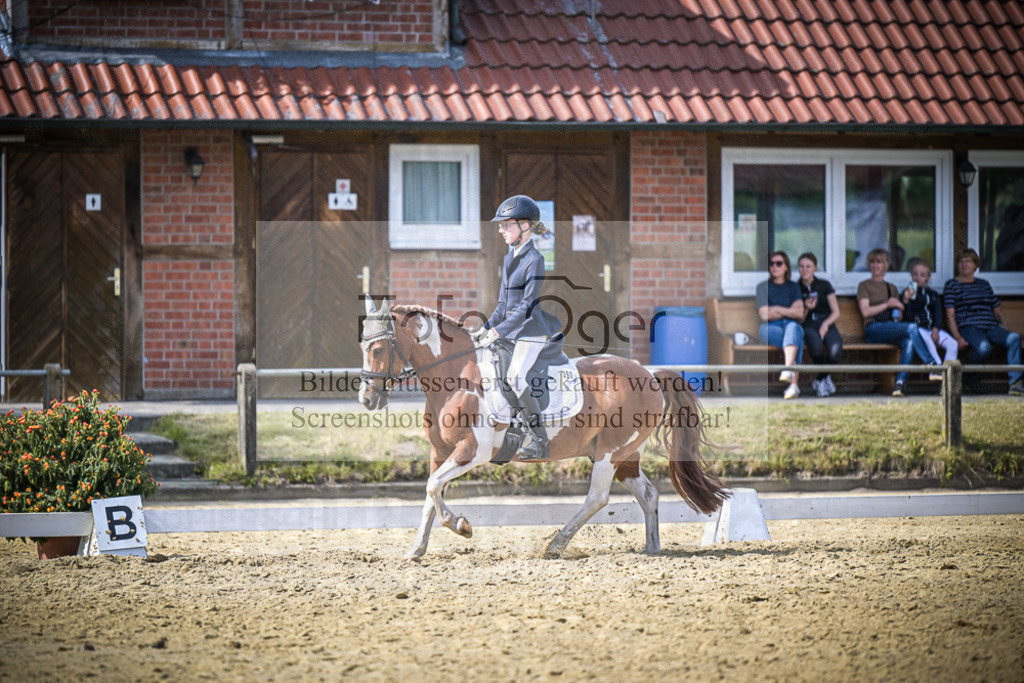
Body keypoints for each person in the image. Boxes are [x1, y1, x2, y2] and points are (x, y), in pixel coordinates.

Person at [472, 194, 565, 459]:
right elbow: (503, 303)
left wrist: (497, 332)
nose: (501, 230)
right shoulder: (509, 257)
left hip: (532, 329)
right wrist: (486, 328)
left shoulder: (534, 259)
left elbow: (526, 305)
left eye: (507, 225)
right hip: (512, 329)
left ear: (525, 226)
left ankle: (539, 440)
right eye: (501, 225)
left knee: (514, 377)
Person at [942, 248, 1023, 395]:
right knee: (984, 348)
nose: (964, 264)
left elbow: (997, 311)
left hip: (990, 327)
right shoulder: (952, 285)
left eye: (968, 261)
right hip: (968, 327)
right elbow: (950, 315)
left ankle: (1016, 383)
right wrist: (958, 337)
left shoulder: (984, 284)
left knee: (1014, 338)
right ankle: (968, 378)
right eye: (960, 262)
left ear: (975, 265)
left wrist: (1005, 329)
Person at [856, 248, 931, 397]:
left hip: (891, 327)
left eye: (879, 262)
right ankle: (930, 363)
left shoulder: (892, 288)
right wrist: (887, 304)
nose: (875, 265)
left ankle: (900, 384)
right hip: (873, 329)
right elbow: (865, 312)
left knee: (908, 341)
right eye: (872, 262)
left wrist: (900, 307)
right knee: (911, 327)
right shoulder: (864, 285)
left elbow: (898, 317)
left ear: (886, 266)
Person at [756, 251, 804, 399]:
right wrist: (788, 311)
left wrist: (775, 309)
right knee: (795, 337)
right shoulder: (763, 287)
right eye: (772, 264)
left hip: (790, 325)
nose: (774, 266)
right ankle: (793, 383)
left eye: (779, 263)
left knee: (794, 329)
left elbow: (800, 314)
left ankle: (789, 372)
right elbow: (764, 315)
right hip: (769, 328)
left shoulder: (793, 287)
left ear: (786, 267)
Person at [900, 258, 957, 382]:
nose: (918, 277)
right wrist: (906, 300)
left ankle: (949, 379)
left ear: (928, 277)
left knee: (953, 344)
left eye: (922, 275)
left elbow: (938, 314)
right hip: (918, 330)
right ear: (911, 275)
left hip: (933, 329)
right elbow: (906, 318)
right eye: (915, 274)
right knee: (929, 341)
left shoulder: (933, 294)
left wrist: (936, 329)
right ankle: (935, 369)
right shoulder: (907, 293)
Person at [797, 252, 842, 397]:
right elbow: (799, 320)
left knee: (835, 352)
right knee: (816, 348)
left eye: (808, 266)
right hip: (809, 324)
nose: (804, 270)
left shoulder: (824, 285)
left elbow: (836, 312)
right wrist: (806, 309)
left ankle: (820, 378)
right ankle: (824, 381)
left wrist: (826, 324)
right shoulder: (796, 288)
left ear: (815, 268)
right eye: (801, 266)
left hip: (826, 323)